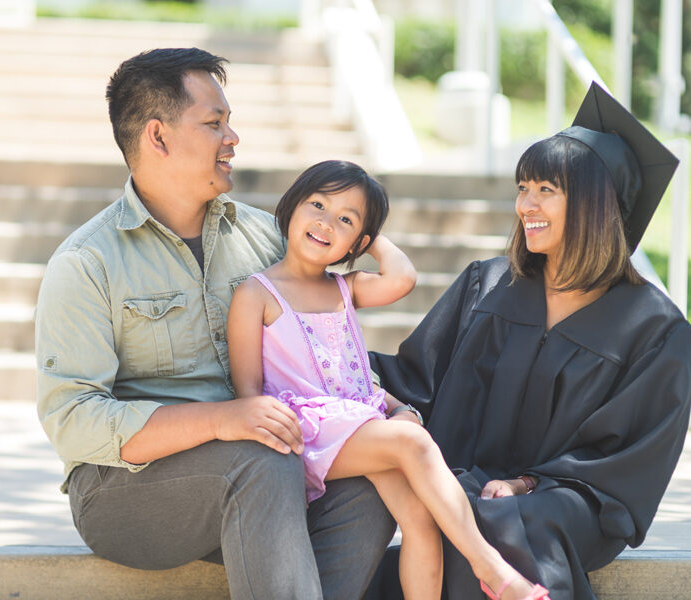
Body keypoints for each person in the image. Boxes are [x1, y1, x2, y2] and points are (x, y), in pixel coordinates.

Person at [34, 47, 397, 599]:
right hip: (126, 491)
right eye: (213, 123)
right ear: (158, 137)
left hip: (260, 468)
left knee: (378, 474)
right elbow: (74, 420)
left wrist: (389, 409)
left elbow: (325, 340)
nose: (233, 138)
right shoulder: (87, 263)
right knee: (262, 456)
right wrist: (222, 420)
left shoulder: (269, 239)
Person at [366, 82, 691, 600]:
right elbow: (415, 379)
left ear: (597, 206)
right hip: (464, 478)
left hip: (567, 503)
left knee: (509, 521)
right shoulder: (488, 284)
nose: (526, 204)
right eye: (524, 186)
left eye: (547, 190)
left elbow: (625, 460)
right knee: (461, 507)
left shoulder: (656, 330)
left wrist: (527, 484)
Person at [228, 160, 550, 600]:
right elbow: (248, 393)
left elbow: (403, 277)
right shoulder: (257, 293)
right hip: (303, 433)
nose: (325, 222)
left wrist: (367, 236)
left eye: (344, 219)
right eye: (317, 205)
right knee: (413, 442)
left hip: (356, 423)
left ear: (358, 241)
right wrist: (349, 221)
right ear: (292, 206)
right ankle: (493, 571)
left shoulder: (345, 286)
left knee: (420, 519)